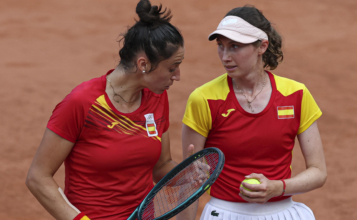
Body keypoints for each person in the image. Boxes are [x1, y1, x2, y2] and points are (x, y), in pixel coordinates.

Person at [25, 0, 185, 219]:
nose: (177, 76)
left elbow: (161, 166)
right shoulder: (81, 103)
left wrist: (188, 175)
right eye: (172, 68)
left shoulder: (157, 98)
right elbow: (38, 177)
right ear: (143, 64)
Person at [180, 5, 327, 220]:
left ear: (262, 46)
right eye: (221, 46)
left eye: (235, 46)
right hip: (224, 213)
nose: (225, 56)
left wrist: (278, 188)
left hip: (283, 212)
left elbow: (318, 171)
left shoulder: (296, 94)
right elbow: (190, 183)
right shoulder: (204, 99)